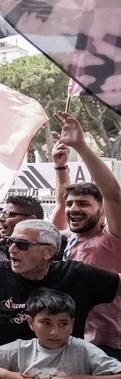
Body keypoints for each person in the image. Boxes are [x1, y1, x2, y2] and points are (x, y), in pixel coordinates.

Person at [0, 220, 120, 348]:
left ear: (49, 251)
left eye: (22, 245)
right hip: (7, 377)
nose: (11, 250)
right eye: (10, 242)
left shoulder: (77, 275)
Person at [0, 289, 121, 379]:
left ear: (72, 324)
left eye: (63, 324)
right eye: (46, 323)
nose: (55, 332)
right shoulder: (21, 348)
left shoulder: (83, 350)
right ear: (31, 323)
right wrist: (5, 375)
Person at [50, 111, 121, 358]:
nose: (73, 209)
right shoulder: (69, 237)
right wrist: (60, 166)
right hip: (70, 340)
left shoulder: (112, 238)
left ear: (102, 210)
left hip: (110, 344)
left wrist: (81, 146)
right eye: (71, 204)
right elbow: (61, 202)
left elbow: (112, 193)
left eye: (83, 204)